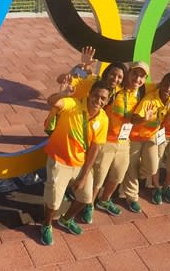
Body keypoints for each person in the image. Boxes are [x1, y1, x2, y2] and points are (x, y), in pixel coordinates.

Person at [40, 79, 111, 246]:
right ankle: (46, 225)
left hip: (80, 163)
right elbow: (52, 101)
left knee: (86, 197)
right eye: (96, 96)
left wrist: (85, 175)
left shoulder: (103, 119)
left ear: (107, 100)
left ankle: (66, 220)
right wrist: (63, 94)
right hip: (59, 160)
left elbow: (95, 147)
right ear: (90, 93)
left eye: (103, 99)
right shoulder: (73, 104)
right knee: (53, 201)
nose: (98, 101)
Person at [121, 70, 170, 211]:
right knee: (132, 167)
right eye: (166, 85)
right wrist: (144, 118)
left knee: (152, 167)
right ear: (161, 84)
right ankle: (132, 197)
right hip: (135, 137)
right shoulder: (149, 99)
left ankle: (136, 175)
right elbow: (134, 119)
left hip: (151, 137)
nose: (168, 89)